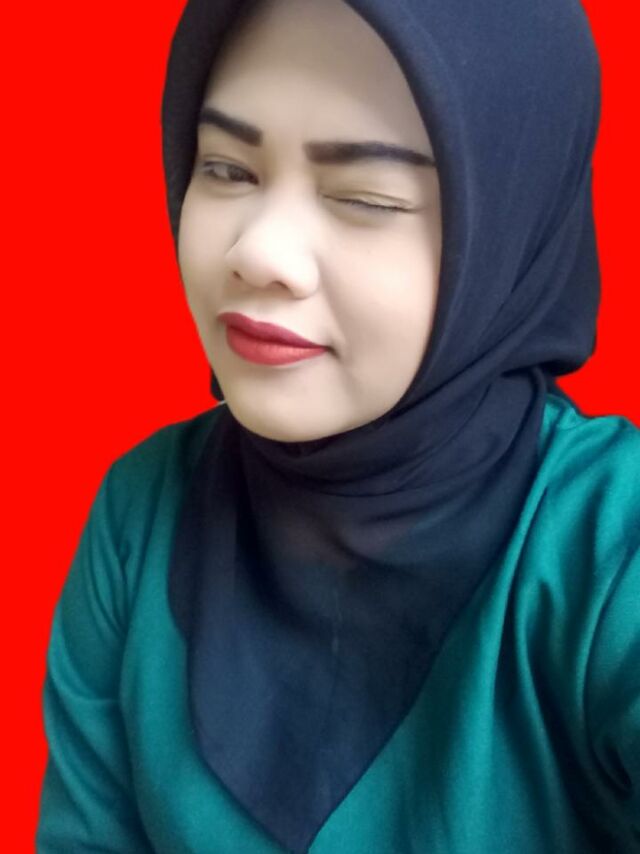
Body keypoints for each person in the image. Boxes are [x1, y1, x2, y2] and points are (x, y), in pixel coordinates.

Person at [37, 0, 640, 851]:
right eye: (227, 169)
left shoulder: (612, 549)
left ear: (508, 232)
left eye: (365, 196)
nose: (258, 253)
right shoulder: (143, 511)